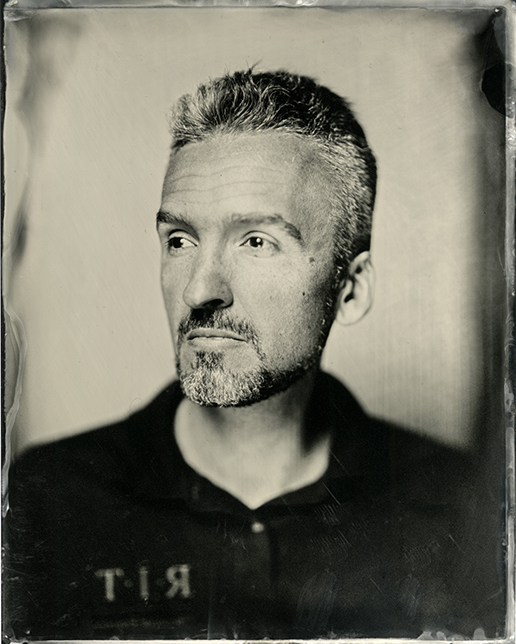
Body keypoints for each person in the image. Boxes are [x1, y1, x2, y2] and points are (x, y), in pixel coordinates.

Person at [5, 69, 504, 640]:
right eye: (180, 240)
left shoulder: (462, 509)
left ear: (351, 288)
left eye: (256, 241)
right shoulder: (48, 502)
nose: (199, 290)